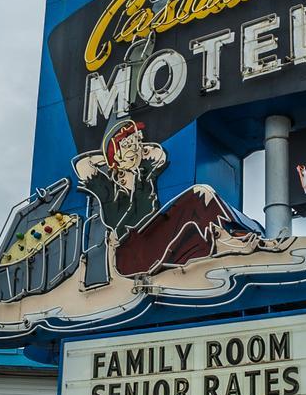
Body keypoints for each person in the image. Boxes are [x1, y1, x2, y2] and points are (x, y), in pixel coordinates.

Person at [73, 119, 280, 277]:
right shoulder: (107, 187)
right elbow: (81, 166)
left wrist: (134, 150)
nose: (136, 147)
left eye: (137, 141)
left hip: (154, 236)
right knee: (197, 200)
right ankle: (237, 243)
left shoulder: (145, 174)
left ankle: (233, 242)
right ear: (116, 154)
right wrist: (108, 158)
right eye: (128, 143)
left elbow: (158, 154)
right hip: (130, 253)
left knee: (201, 209)